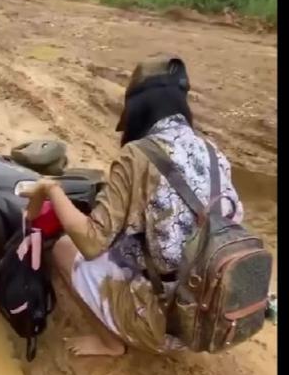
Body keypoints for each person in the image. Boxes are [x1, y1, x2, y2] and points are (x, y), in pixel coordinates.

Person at [25, 56, 244, 357]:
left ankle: (109, 343)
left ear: (137, 109)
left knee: (65, 248)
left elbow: (90, 242)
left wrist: (51, 188)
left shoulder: (137, 156)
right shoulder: (215, 153)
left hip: (168, 327)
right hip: (210, 316)